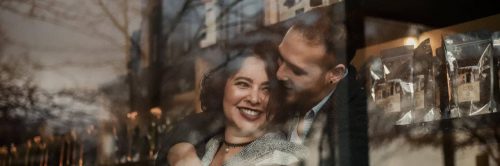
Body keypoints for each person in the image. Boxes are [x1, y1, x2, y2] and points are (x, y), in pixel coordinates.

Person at [158, 6, 367, 166]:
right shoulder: (287, 90)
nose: (280, 73)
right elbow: (206, 119)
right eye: (280, 59)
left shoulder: (358, 121)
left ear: (334, 74)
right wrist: (180, 148)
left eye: (296, 69)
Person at [162, 42, 307, 166]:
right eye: (243, 84)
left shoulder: (286, 158)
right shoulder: (208, 146)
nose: (254, 99)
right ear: (221, 88)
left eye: (267, 89)